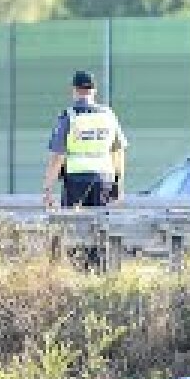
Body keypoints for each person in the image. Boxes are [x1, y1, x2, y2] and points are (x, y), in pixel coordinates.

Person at [43, 70, 128, 268]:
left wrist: (47, 188)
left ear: (74, 90)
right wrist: (119, 184)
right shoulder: (108, 116)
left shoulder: (69, 116)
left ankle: (80, 273)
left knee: (74, 232)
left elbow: (57, 156)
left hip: (76, 181)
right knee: (101, 230)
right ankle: (100, 274)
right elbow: (118, 153)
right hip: (105, 180)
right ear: (94, 90)